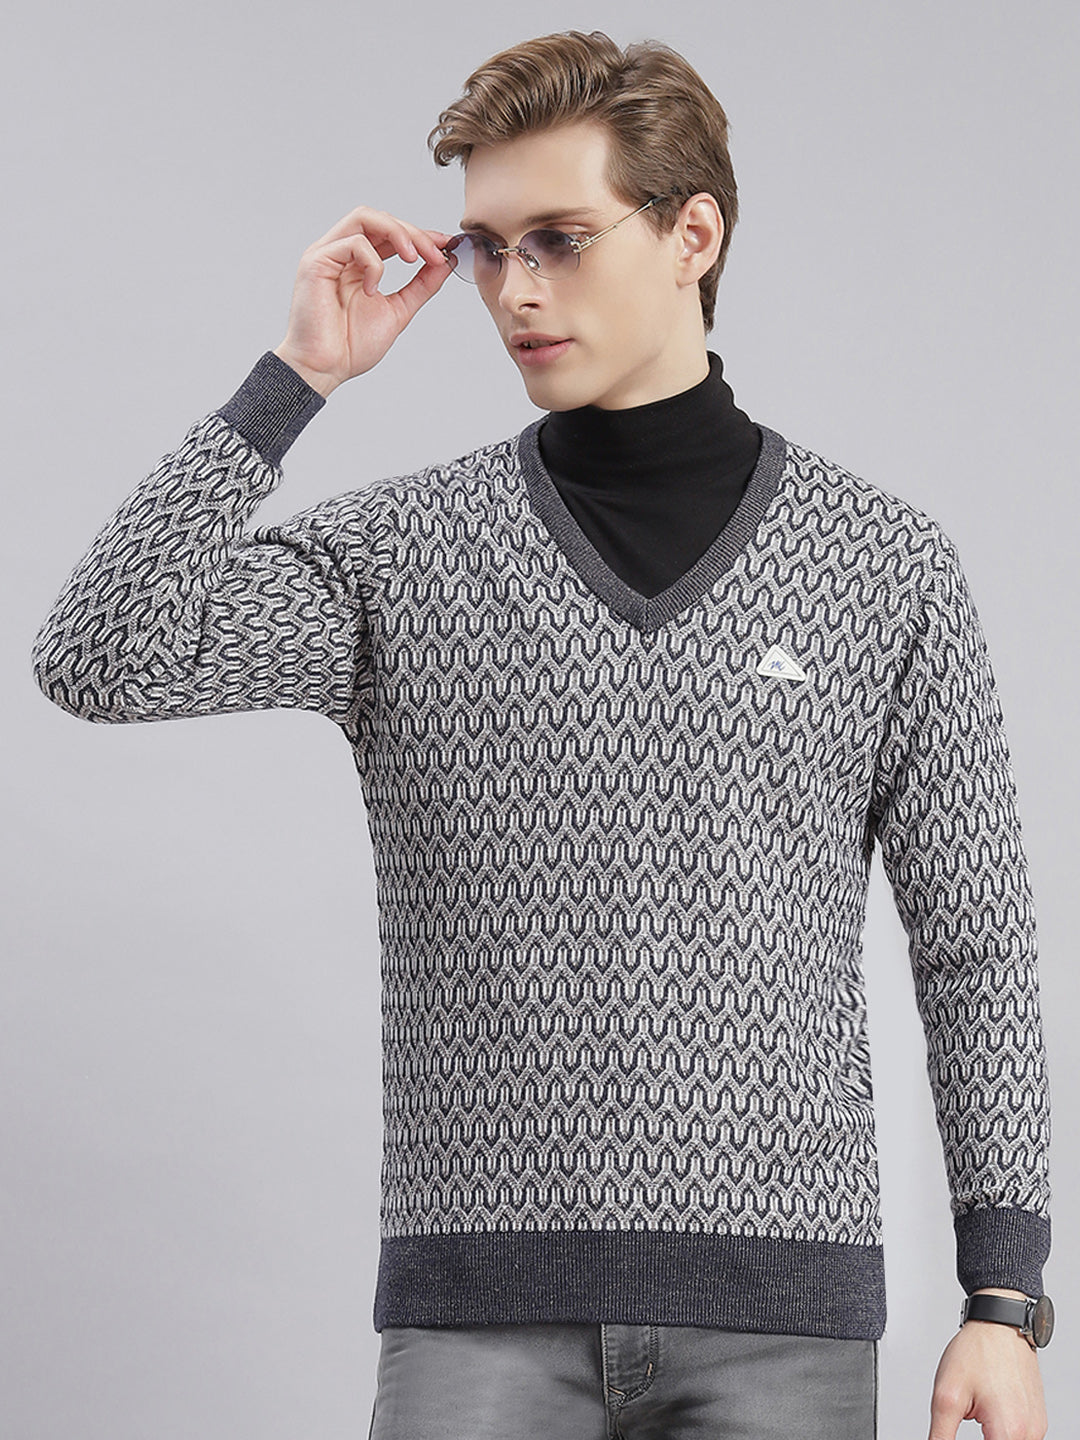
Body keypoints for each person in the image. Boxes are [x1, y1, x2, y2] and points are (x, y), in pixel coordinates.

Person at [31, 27, 1051, 1440]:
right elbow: (97, 655)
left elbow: (976, 943)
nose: (513, 290)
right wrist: (295, 380)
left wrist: (1003, 1299)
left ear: (694, 234)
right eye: (486, 248)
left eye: (561, 240)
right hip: (476, 1322)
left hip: (782, 1323)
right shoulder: (398, 557)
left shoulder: (883, 566)